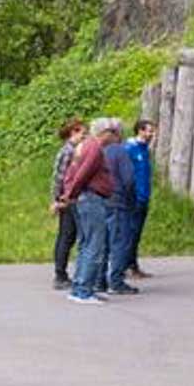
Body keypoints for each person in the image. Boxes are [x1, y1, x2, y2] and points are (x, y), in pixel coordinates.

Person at [59, 117, 118, 304]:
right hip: (91, 199)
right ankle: (84, 290)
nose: (116, 136)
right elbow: (82, 172)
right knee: (94, 244)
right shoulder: (94, 147)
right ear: (105, 133)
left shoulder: (84, 146)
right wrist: (70, 193)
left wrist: (70, 192)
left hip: (83, 198)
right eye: (113, 132)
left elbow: (71, 172)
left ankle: (79, 287)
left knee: (86, 243)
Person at [103, 121, 141, 295]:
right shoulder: (120, 152)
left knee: (103, 242)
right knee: (120, 242)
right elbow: (129, 179)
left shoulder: (99, 151)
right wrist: (133, 200)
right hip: (118, 201)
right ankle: (116, 281)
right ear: (118, 134)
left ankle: (99, 279)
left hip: (101, 200)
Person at [50, 117, 87, 290]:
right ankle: (60, 274)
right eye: (82, 132)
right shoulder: (68, 151)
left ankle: (62, 273)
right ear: (73, 132)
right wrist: (58, 200)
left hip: (70, 198)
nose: (84, 136)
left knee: (68, 236)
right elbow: (60, 178)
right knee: (66, 236)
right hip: (68, 199)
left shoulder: (71, 150)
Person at [125, 119, 156, 279]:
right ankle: (127, 266)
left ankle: (132, 264)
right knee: (131, 232)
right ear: (140, 131)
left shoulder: (145, 150)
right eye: (149, 131)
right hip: (134, 197)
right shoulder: (130, 149)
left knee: (136, 233)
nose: (152, 134)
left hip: (144, 196)